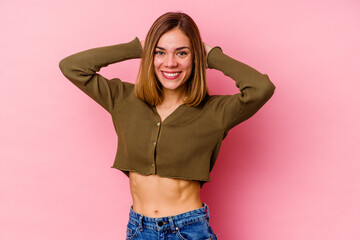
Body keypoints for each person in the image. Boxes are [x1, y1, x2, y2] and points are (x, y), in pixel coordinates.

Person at [59, 11, 275, 240]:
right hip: (139, 229)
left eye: (182, 53)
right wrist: (138, 48)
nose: (170, 63)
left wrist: (210, 55)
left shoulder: (215, 112)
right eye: (159, 52)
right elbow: (72, 66)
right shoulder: (122, 99)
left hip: (188, 230)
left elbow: (261, 88)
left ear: (195, 58)